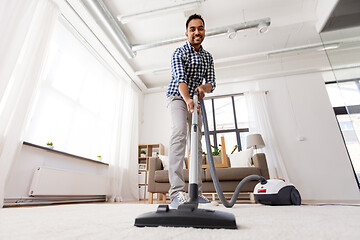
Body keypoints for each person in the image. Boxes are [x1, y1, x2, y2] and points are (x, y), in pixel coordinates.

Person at [166, 13, 217, 209]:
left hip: (195, 100)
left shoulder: (208, 57)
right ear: (186, 32)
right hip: (178, 97)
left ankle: (197, 192)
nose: (197, 32)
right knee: (179, 133)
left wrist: (203, 89)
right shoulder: (179, 52)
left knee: (196, 143)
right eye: (193, 29)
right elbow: (180, 79)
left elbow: (211, 82)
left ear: (204, 31)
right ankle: (177, 192)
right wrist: (187, 99)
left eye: (200, 28)